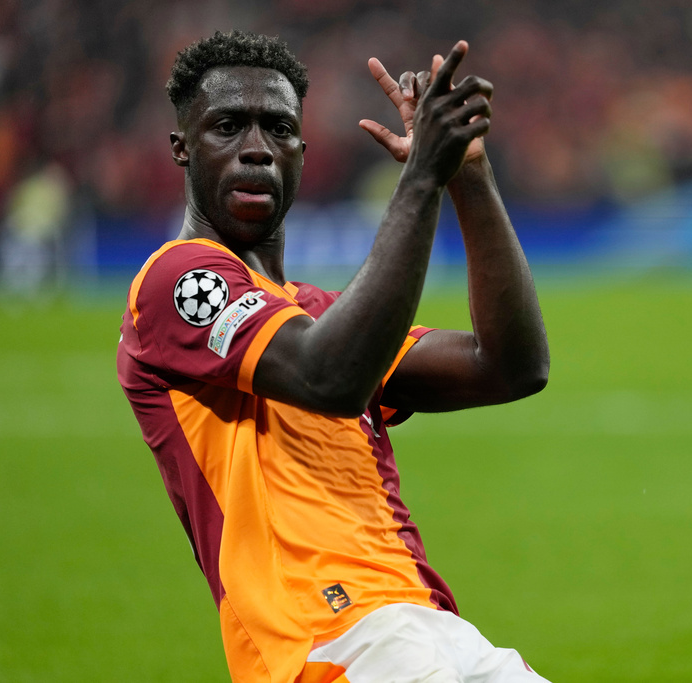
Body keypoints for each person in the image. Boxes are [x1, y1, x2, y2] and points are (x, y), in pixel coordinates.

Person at [116, 30, 550, 683]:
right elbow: (330, 377)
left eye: (279, 130)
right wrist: (422, 178)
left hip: (434, 625)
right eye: (228, 127)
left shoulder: (320, 313)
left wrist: (468, 174)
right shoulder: (176, 282)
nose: (257, 148)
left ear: (301, 152)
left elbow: (510, 365)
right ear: (182, 148)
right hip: (325, 641)